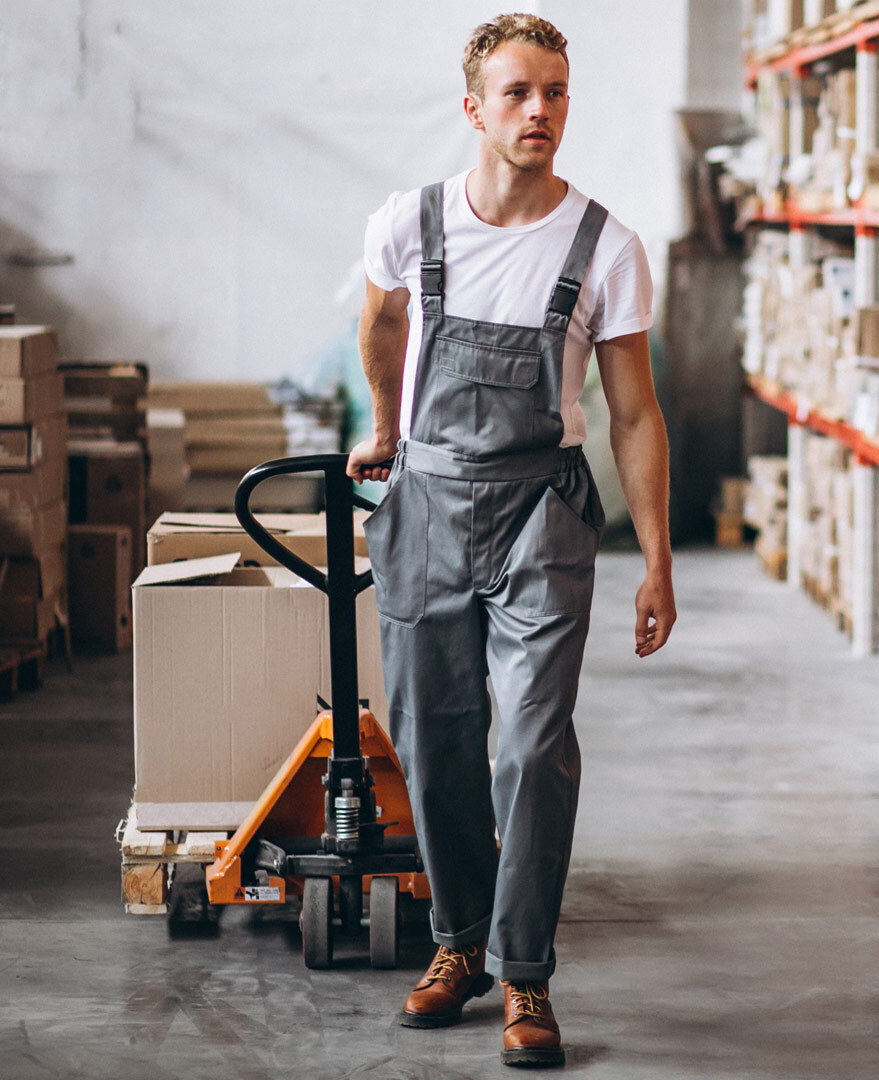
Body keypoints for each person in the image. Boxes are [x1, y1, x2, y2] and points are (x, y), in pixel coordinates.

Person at [346, 13, 676, 1069]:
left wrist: (658, 557)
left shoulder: (604, 245)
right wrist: (387, 431)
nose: (540, 112)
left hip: (544, 512)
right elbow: (380, 324)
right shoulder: (413, 223)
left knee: (532, 745)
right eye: (518, 93)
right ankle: (459, 948)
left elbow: (634, 414)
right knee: (435, 737)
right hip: (428, 507)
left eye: (556, 93)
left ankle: (525, 974)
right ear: (474, 109)